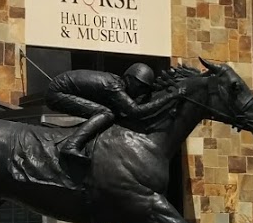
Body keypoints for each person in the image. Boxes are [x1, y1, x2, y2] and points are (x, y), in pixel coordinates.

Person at [45, 62, 179, 171]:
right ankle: (71, 145)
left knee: (109, 113)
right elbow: (135, 110)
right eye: (139, 86)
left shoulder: (118, 84)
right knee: (106, 114)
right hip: (57, 92)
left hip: (62, 88)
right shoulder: (113, 86)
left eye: (143, 88)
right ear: (128, 79)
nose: (140, 91)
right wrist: (171, 96)